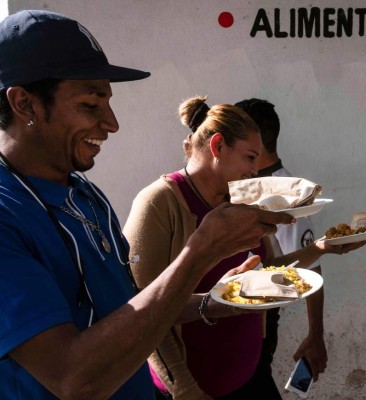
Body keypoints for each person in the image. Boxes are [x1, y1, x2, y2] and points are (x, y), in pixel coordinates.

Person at [0, 10, 293, 400]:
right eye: (91, 105)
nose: (112, 122)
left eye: (109, 102)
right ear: (25, 104)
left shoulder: (87, 197)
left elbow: (133, 310)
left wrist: (217, 301)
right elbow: (76, 380)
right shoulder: (8, 216)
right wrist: (199, 253)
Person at [123, 96, 366, 399]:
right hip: (194, 388)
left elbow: (272, 272)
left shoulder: (241, 201)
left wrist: (322, 248)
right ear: (218, 147)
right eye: (250, 157)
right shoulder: (160, 203)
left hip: (249, 379)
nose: (254, 170)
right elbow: (144, 315)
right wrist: (186, 389)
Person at [234, 99, 327, 385]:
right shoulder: (238, 185)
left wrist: (315, 334)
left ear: (255, 140)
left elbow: (310, 267)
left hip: (257, 321)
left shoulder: (286, 195)